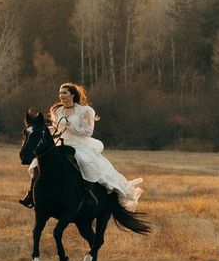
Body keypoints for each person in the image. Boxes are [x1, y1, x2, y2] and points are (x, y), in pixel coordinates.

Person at [19, 82, 143, 211]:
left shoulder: (85, 111)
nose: (61, 95)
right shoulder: (57, 110)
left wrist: (69, 126)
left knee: (85, 163)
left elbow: (88, 132)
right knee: (36, 162)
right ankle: (32, 194)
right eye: (60, 93)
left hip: (79, 144)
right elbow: (56, 128)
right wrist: (39, 130)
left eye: (64, 93)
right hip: (61, 142)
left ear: (72, 94)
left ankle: (88, 192)